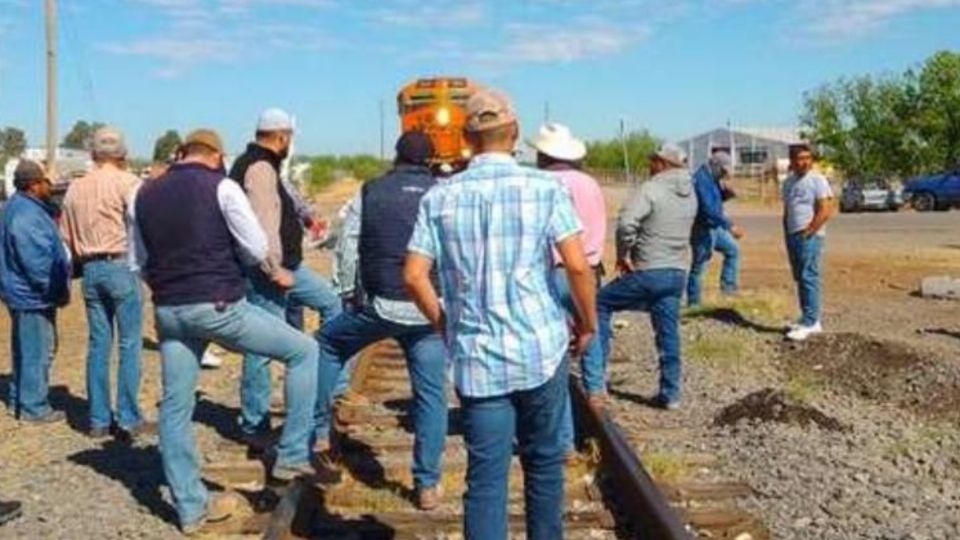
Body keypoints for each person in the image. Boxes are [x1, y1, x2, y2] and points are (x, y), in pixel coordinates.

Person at [404, 88, 597, 540]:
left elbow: (414, 275)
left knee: (486, 478)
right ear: (514, 134)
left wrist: (443, 322)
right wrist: (587, 323)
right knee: (545, 464)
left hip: (477, 354)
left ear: (468, 139)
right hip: (541, 349)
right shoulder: (545, 187)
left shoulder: (439, 197)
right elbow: (577, 265)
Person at [130, 130, 322, 535]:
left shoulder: (143, 194)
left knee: (176, 405)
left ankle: (190, 509)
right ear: (216, 156)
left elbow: (140, 261)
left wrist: (170, 288)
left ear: (182, 154)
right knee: (304, 351)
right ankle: (290, 454)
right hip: (217, 304)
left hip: (168, 310)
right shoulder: (222, 187)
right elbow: (255, 246)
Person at [315, 131, 447, 509]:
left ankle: (319, 431)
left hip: (381, 304)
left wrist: (347, 294)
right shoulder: (444, 193)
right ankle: (426, 484)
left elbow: (349, 243)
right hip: (428, 307)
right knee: (432, 394)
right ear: (430, 161)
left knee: (326, 344)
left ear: (396, 157)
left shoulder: (370, 190)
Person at [229, 109, 341, 445]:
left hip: (285, 267)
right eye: (290, 137)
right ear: (281, 137)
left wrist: (305, 218)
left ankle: (328, 390)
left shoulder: (257, 165)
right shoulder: (260, 169)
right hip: (272, 271)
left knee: (331, 304)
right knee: (260, 347)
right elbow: (263, 225)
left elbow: (286, 205)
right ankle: (254, 424)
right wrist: (274, 269)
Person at [584, 144, 698, 411]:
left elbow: (626, 223)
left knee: (599, 303)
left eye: (653, 160)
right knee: (668, 333)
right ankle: (671, 394)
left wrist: (624, 254)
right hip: (677, 272)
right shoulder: (690, 193)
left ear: (663, 163)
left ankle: (596, 379)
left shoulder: (650, 189)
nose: (650, 165)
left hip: (648, 269)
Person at [60, 126, 147, 440]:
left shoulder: (74, 189)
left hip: (90, 270)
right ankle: (127, 416)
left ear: (93, 153)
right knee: (129, 343)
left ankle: (98, 419)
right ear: (122, 153)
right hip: (121, 264)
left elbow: (65, 238)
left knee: (98, 345)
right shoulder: (129, 183)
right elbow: (140, 226)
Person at [530, 122, 607, 453]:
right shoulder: (590, 183)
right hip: (588, 268)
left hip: (553, 270)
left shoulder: (539, 183)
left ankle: (562, 439)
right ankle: (596, 391)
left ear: (543, 153)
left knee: (556, 353)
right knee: (593, 329)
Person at [0, 160, 71, 424]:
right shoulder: (27, 214)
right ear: (33, 184)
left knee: (26, 349)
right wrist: (55, 288)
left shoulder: (18, 207)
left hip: (21, 292)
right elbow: (37, 261)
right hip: (32, 295)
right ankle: (34, 407)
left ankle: (20, 400)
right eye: (45, 182)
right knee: (37, 351)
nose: (49, 187)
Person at [782, 144, 835, 341]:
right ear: (792, 161)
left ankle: (812, 321)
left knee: (808, 276)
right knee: (799, 276)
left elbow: (826, 208)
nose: (804, 162)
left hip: (809, 236)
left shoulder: (817, 180)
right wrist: (787, 233)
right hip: (792, 234)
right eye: (800, 158)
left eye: (807, 158)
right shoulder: (788, 183)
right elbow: (788, 210)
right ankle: (806, 316)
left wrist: (811, 230)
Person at [686, 152, 744, 307]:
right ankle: (694, 303)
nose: (725, 174)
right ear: (716, 166)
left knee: (733, 251)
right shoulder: (701, 180)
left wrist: (726, 194)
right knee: (700, 265)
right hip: (702, 228)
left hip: (714, 227)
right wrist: (730, 226)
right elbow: (708, 209)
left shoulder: (712, 178)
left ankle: (728, 289)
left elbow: (714, 200)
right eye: (724, 170)